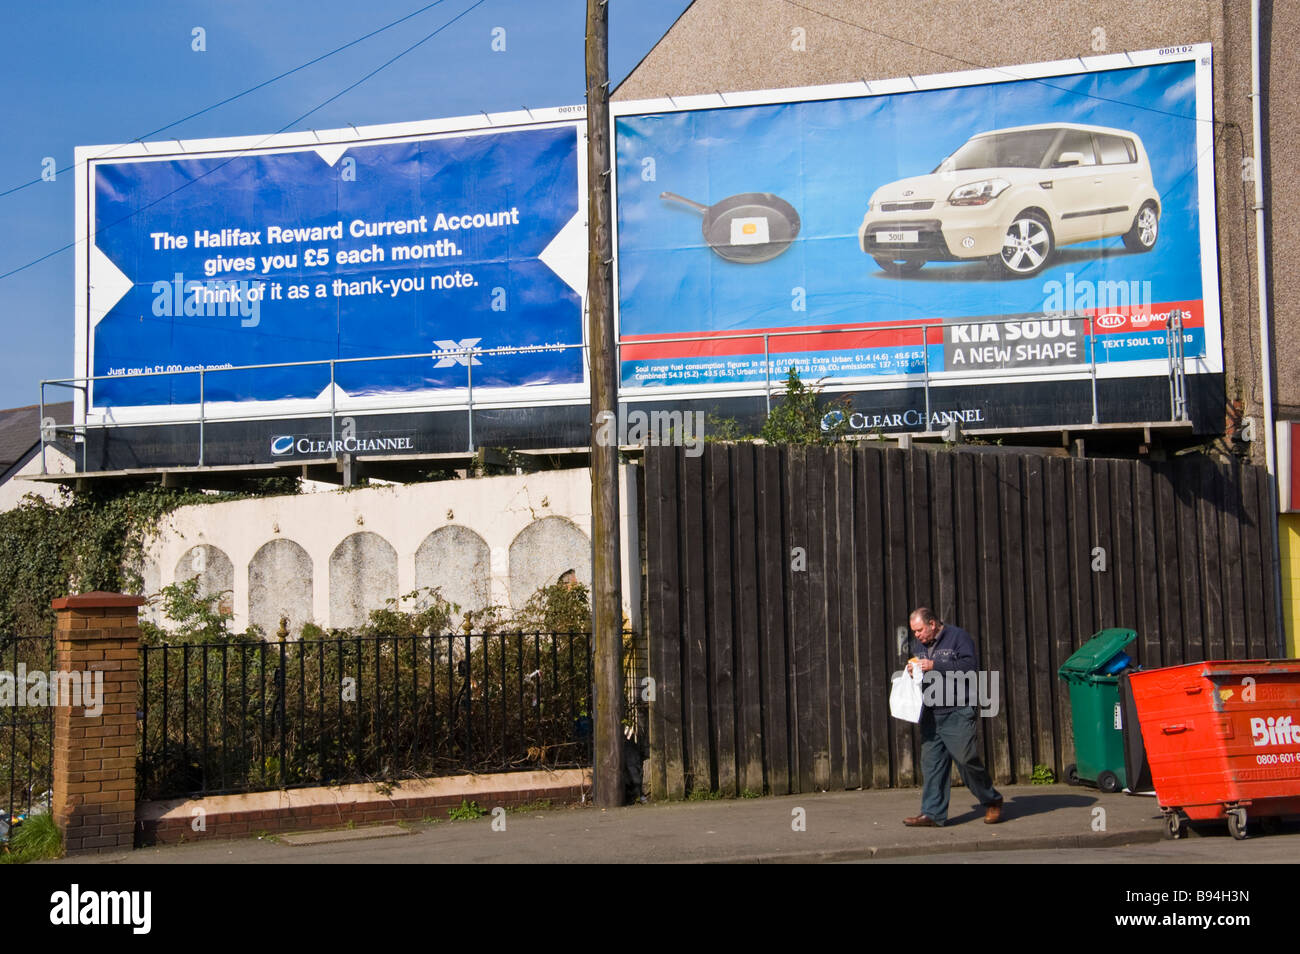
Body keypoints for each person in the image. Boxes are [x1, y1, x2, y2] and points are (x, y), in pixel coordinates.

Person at [901, 607, 1003, 827]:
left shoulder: (958, 637)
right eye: (914, 632)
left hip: (957, 710)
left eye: (919, 630)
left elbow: (969, 667)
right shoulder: (920, 645)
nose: (917, 635)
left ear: (932, 624)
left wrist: (935, 665)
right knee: (932, 765)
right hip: (931, 712)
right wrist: (914, 671)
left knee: (966, 760)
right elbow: (924, 670)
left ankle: (992, 800)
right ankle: (932, 814)